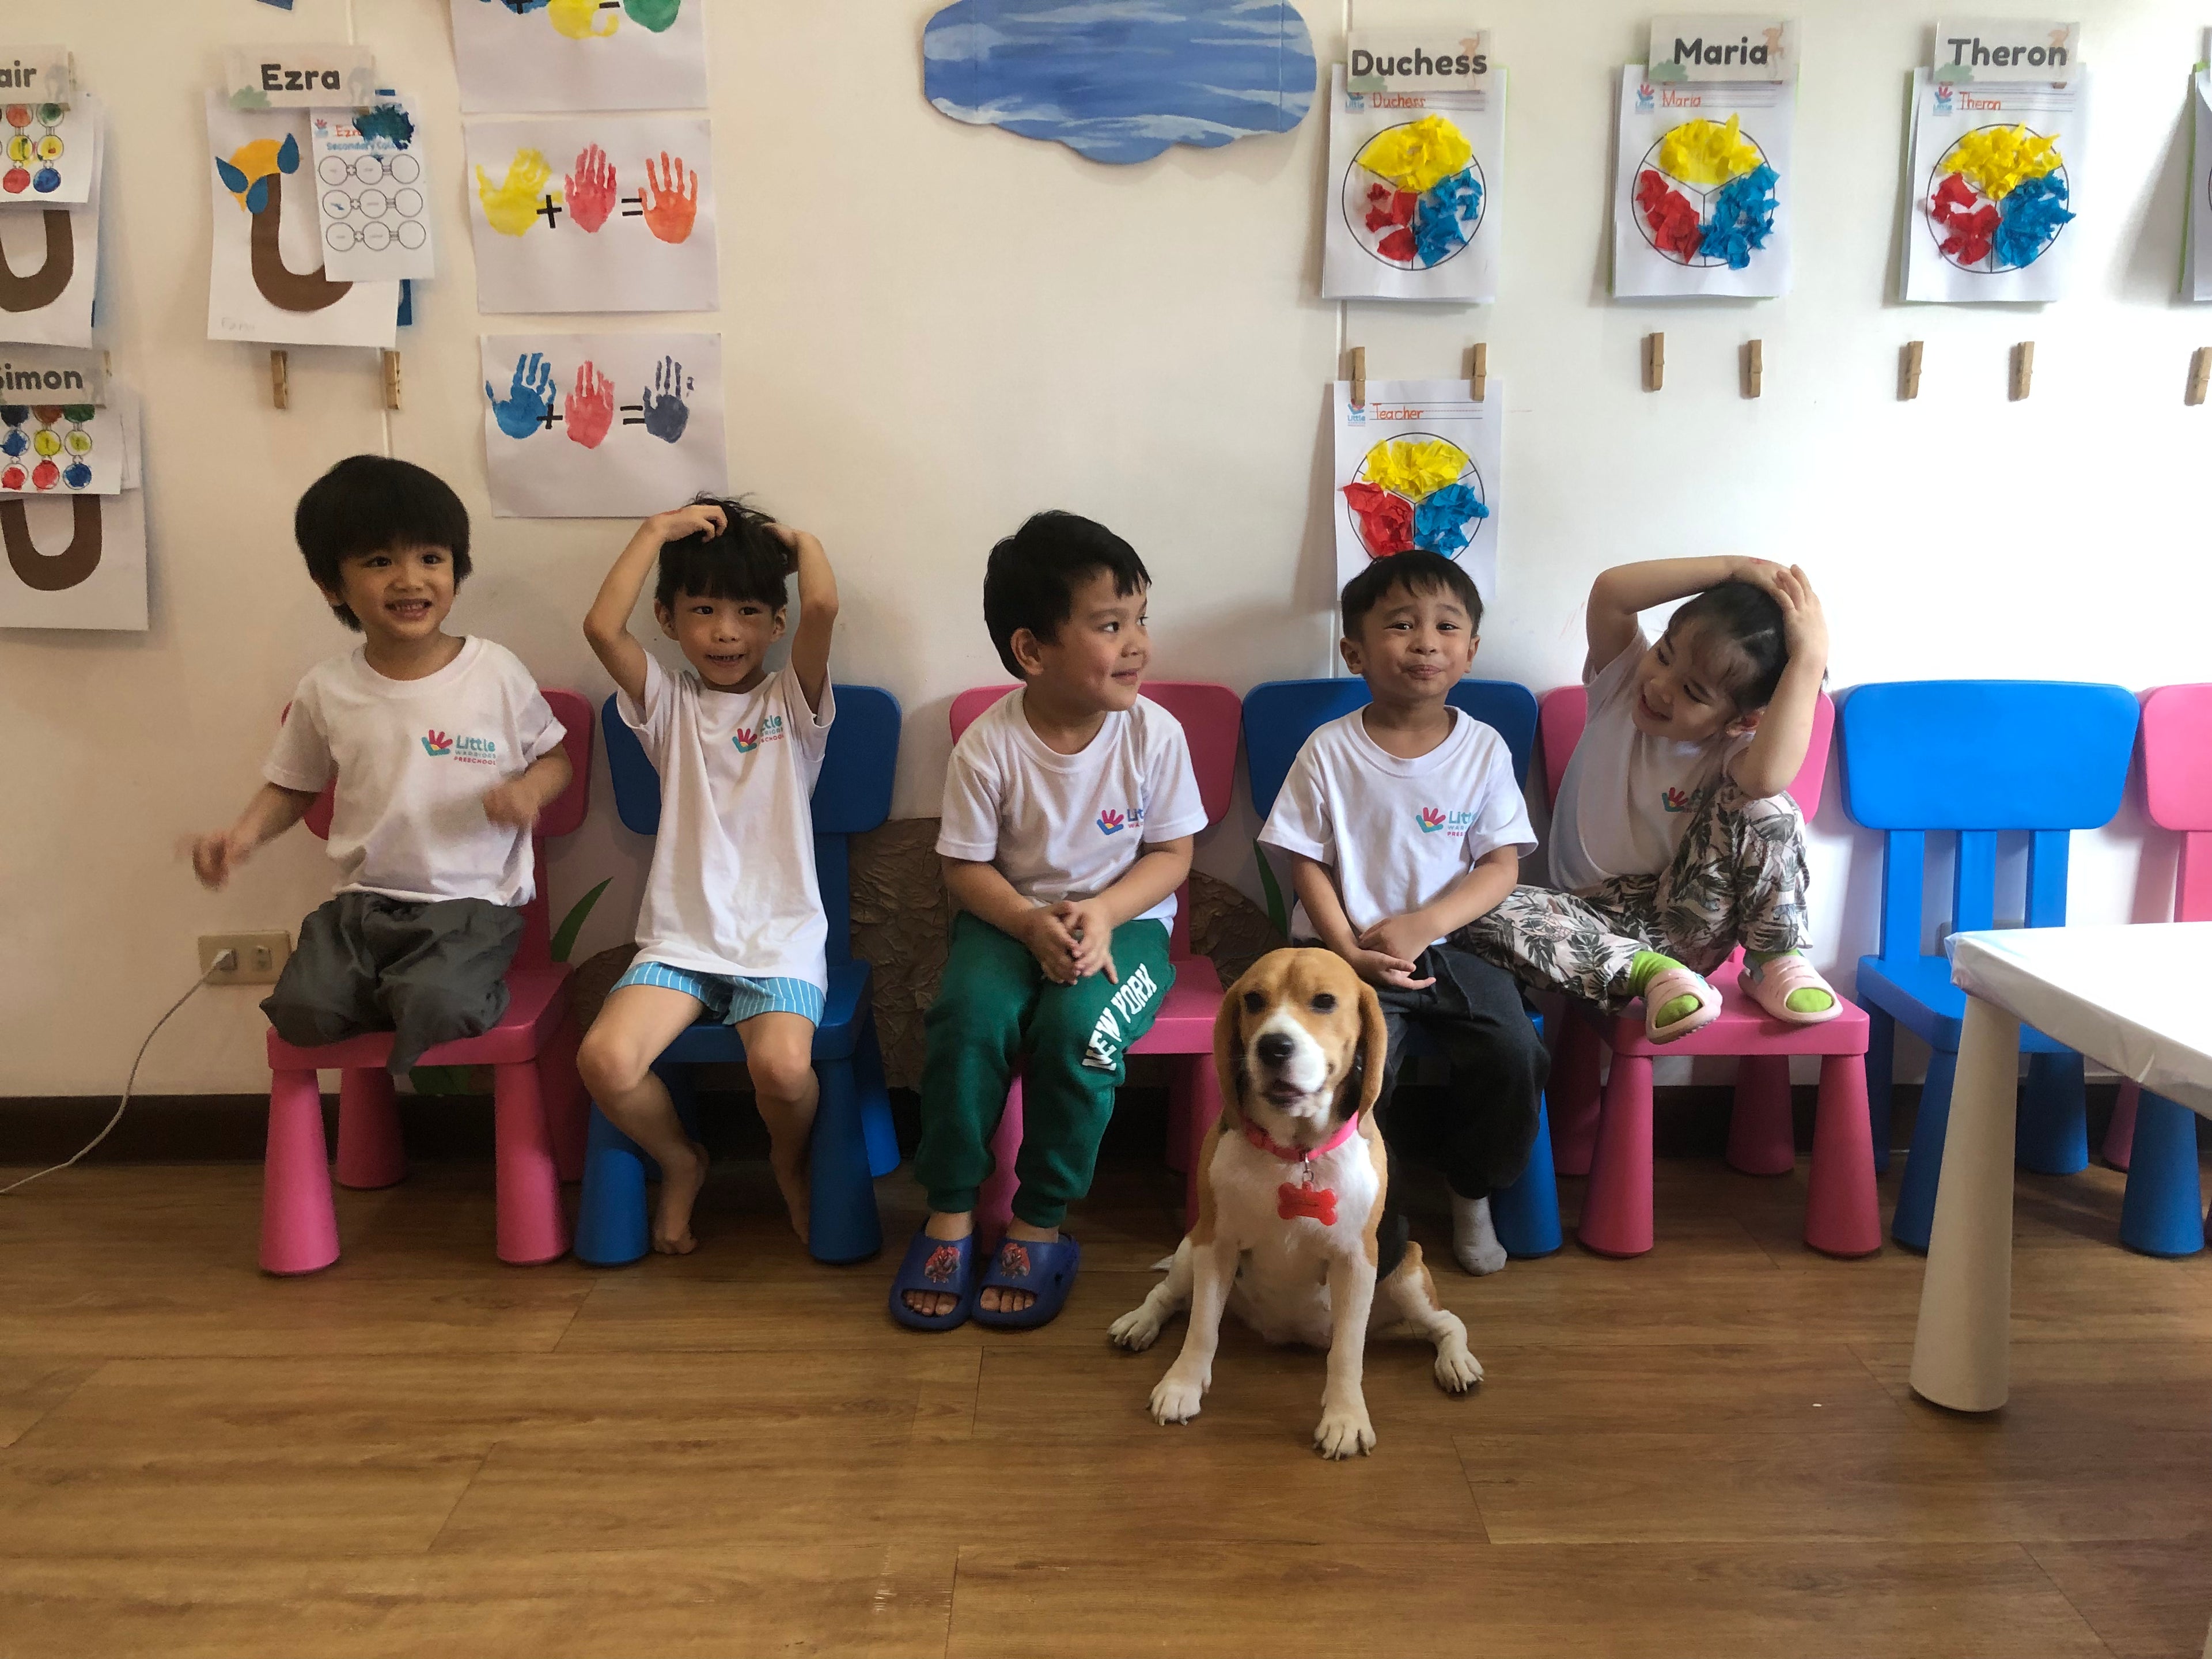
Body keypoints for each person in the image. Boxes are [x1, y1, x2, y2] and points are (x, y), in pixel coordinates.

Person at [891, 512, 1207, 1332]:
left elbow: (1173, 854)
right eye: (1111, 625)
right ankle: (953, 1208)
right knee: (967, 1020)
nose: (1137, 642)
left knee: (1080, 1033)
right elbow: (963, 867)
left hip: (1128, 926)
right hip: (1009, 925)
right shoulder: (988, 747)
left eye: (1141, 619)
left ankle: (1040, 1218)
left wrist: (1103, 912)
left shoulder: (1155, 735)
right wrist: (1032, 924)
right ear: (1033, 650)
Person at [187, 455, 572, 1075]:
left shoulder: (494, 671)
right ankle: (395, 987)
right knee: (304, 1013)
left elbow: (556, 759)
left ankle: (426, 989)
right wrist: (242, 836)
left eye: (430, 558)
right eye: (378, 562)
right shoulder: (327, 688)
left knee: (439, 1003)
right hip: (361, 905)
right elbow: (293, 786)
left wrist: (530, 790)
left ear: (456, 567)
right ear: (331, 585)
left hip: (470, 903)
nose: (408, 579)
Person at [1257, 551, 1547, 1276]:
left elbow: (1502, 866)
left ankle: (1472, 1188)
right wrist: (1349, 951)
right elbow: (1305, 864)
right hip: (1344, 952)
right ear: (1354, 650)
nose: (1425, 641)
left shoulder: (1482, 749)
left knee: (1515, 1054)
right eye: (1401, 625)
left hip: (1457, 949)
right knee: (1354, 1073)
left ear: (1470, 650)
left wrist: (1424, 924)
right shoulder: (1328, 750)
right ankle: (1364, 1212)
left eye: (1446, 625)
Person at [575, 499, 839, 1255]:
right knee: (605, 1059)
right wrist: (655, 531)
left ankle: (788, 1163)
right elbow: (601, 628)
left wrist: (802, 539)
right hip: (681, 943)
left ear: (777, 623)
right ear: (669, 616)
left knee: (783, 1070)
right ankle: (681, 1160)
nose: (726, 630)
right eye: (704, 610)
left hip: (778, 941)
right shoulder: (668, 705)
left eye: (749, 611)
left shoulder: (795, 701)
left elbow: (822, 600)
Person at [1460, 556, 1840, 1039]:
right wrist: (1734, 568)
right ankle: (1652, 975)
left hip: (1689, 918)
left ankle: (1772, 958)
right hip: (1586, 920)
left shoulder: (1735, 751)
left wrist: (1810, 656)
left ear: (1743, 721)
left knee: (1768, 807)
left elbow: (1767, 779)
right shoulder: (1618, 686)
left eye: (1693, 691)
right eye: (1664, 654)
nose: (1659, 686)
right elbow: (1612, 592)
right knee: (1474, 909)